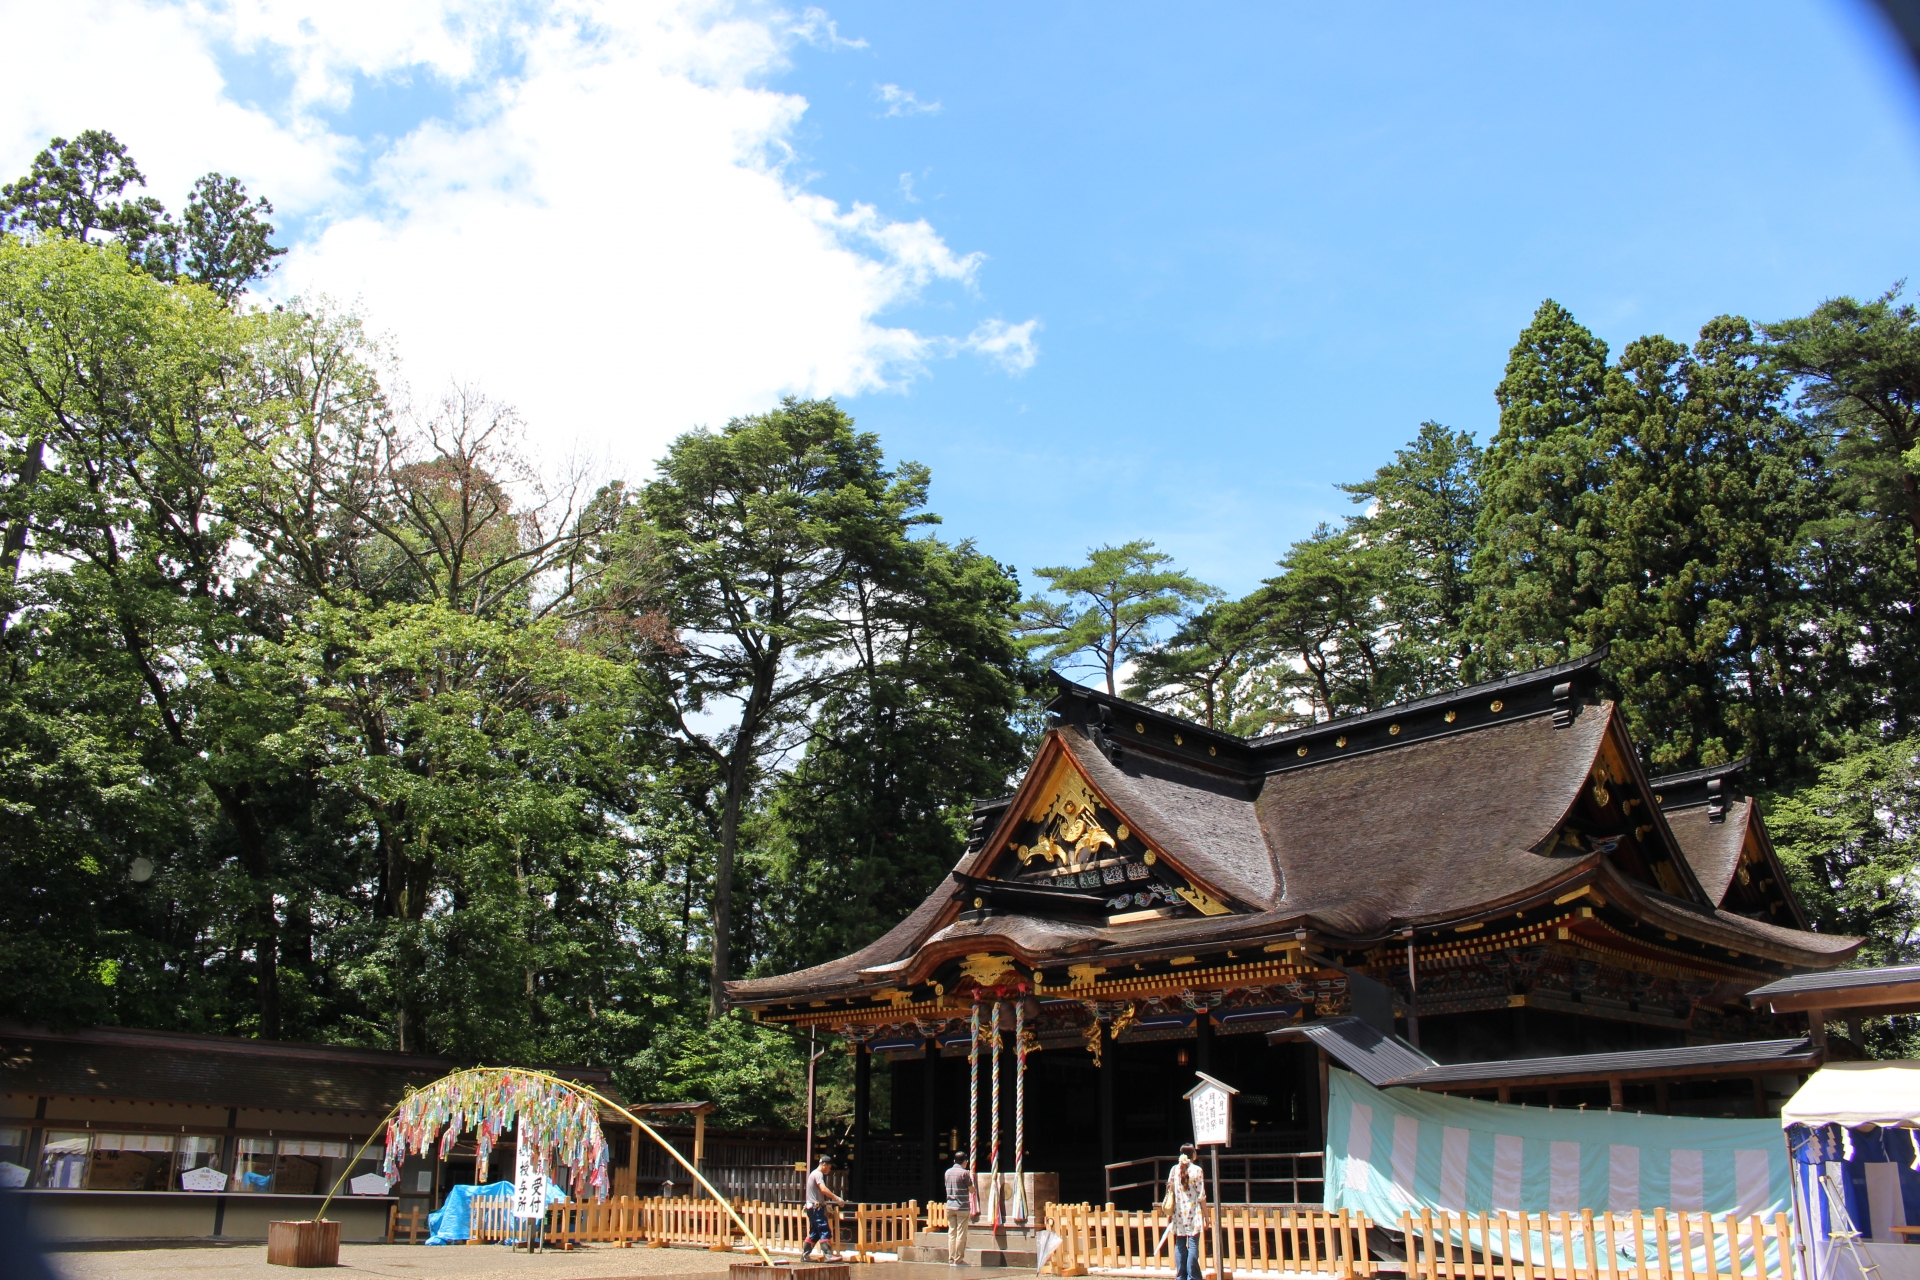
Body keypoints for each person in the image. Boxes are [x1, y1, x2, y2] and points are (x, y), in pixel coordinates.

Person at [1163, 1144, 1207, 1280]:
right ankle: (1192, 1276)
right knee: (1193, 1245)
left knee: (1180, 1244)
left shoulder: (1174, 1170)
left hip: (1178, 1213)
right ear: (1193, 1154)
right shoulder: (1197, 1170)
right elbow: (1201, 1196)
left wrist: (1169, 1215)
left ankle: (1181, 1276)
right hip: (1193, 1213)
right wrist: (1207, 1215)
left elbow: (1170, 1192)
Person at [801, 1155, 846, 1262]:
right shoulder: (818, 1174)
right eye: (829, 1166)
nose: (830, 1169)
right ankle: (828, 1255)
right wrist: (836, 1198)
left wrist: (825, 1205)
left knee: (815, 1233)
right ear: (824, 1164)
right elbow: (823, 1189)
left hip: (812, 1206)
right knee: (824, 1230)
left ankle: (805, 1256)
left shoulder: (814, 1174)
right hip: (815, 1208)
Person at [944, 1151, 974, 1265]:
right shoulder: (964, 1173)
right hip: (962, 1206)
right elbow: (971, 1190)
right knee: (961, 1233)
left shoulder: (947, 1172)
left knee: (952, 1233)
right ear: (965, 1162)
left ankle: (951, 1258)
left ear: (954, 1161)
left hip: (950, 1206)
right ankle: (958, 1259)